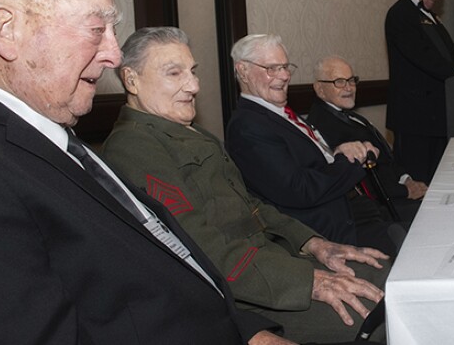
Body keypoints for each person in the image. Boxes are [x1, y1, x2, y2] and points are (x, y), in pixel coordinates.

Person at [0, 0, 285, 344]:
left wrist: (248, 330)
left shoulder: (53, 134)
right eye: (95, 30)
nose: (114, 55)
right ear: (5, 30)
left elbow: (156, 264)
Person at [101, 27, 389, 343]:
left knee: (391, 279)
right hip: (241, 292)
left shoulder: (193, 132)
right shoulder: (135, 146)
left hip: (275, 262)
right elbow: (196, 244)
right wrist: (306, 282)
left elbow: (252, 206)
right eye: (175, 73)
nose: (194, 85)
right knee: (380, 316)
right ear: (131, 80)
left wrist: (312, 243)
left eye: (193, 72)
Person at [225, 34, 404, 257]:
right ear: (243, 71)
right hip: (331, 233)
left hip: (356, 210)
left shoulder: (281, 114)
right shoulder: (248, 126)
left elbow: (312, 162)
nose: (284, 75)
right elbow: (299, 190)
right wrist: (351, 160)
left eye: (285, 66)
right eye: (272, 68)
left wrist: (339, 151)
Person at [385, 0, 454, 184]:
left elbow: (448, 54)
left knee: (439, 179)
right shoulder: (400, 14)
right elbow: (422, 55)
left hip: (437, 115)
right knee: (419, 180)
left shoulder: (432, 17)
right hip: (414, 117)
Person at [307, 55, 427, 223]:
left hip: (395, 190)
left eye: (351, 80)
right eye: (339, 82)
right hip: (380, 209)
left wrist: (405, 178)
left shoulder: (343, 114)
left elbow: (385, 155)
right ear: (319, 89)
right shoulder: (324, 125)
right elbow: (363, 181)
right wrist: (405, 190)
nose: (349, 88)